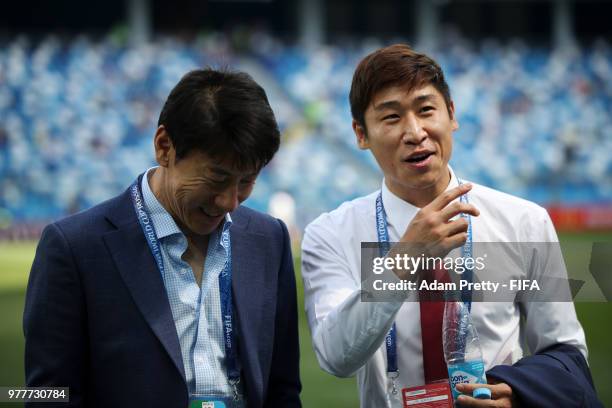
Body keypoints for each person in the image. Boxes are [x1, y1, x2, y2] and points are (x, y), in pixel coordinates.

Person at [301, 44, 601, 407]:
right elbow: (336, 357)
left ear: (452, 114)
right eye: (391, 117)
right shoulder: (330, 234)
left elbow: (566, 354)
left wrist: (518, 395)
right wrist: (405, 259)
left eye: (426, 110)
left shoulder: (525, 222)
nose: (415, 132)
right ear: (361, 134)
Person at [24, 68, 301, 408]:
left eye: (247, 181)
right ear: (164, 146)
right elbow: (48, 395)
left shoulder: (268, 240)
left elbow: (283, 390)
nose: (230, 201)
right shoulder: (74, 248)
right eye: (217, 177)